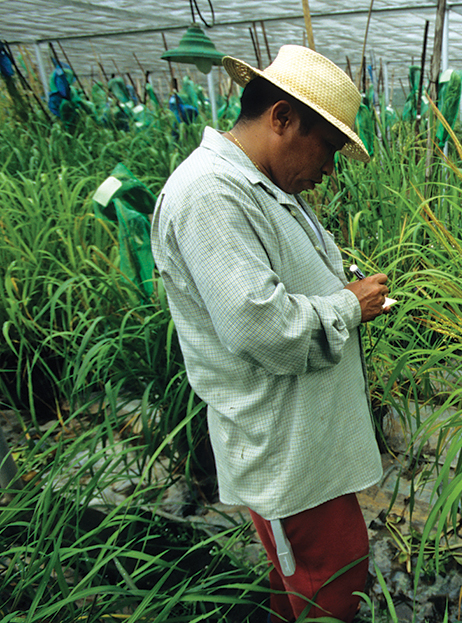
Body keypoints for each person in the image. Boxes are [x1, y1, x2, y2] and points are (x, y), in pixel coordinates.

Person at [151, 45, 390, 622]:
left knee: (316, 576)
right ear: (281, 118)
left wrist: (339, 287)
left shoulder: (261, 184)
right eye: (328, 147)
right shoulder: (209, 193)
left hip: (306, 440)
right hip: (282, 446)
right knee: (330, 580)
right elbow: (262, 327)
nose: (330, 169)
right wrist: (348, 306)